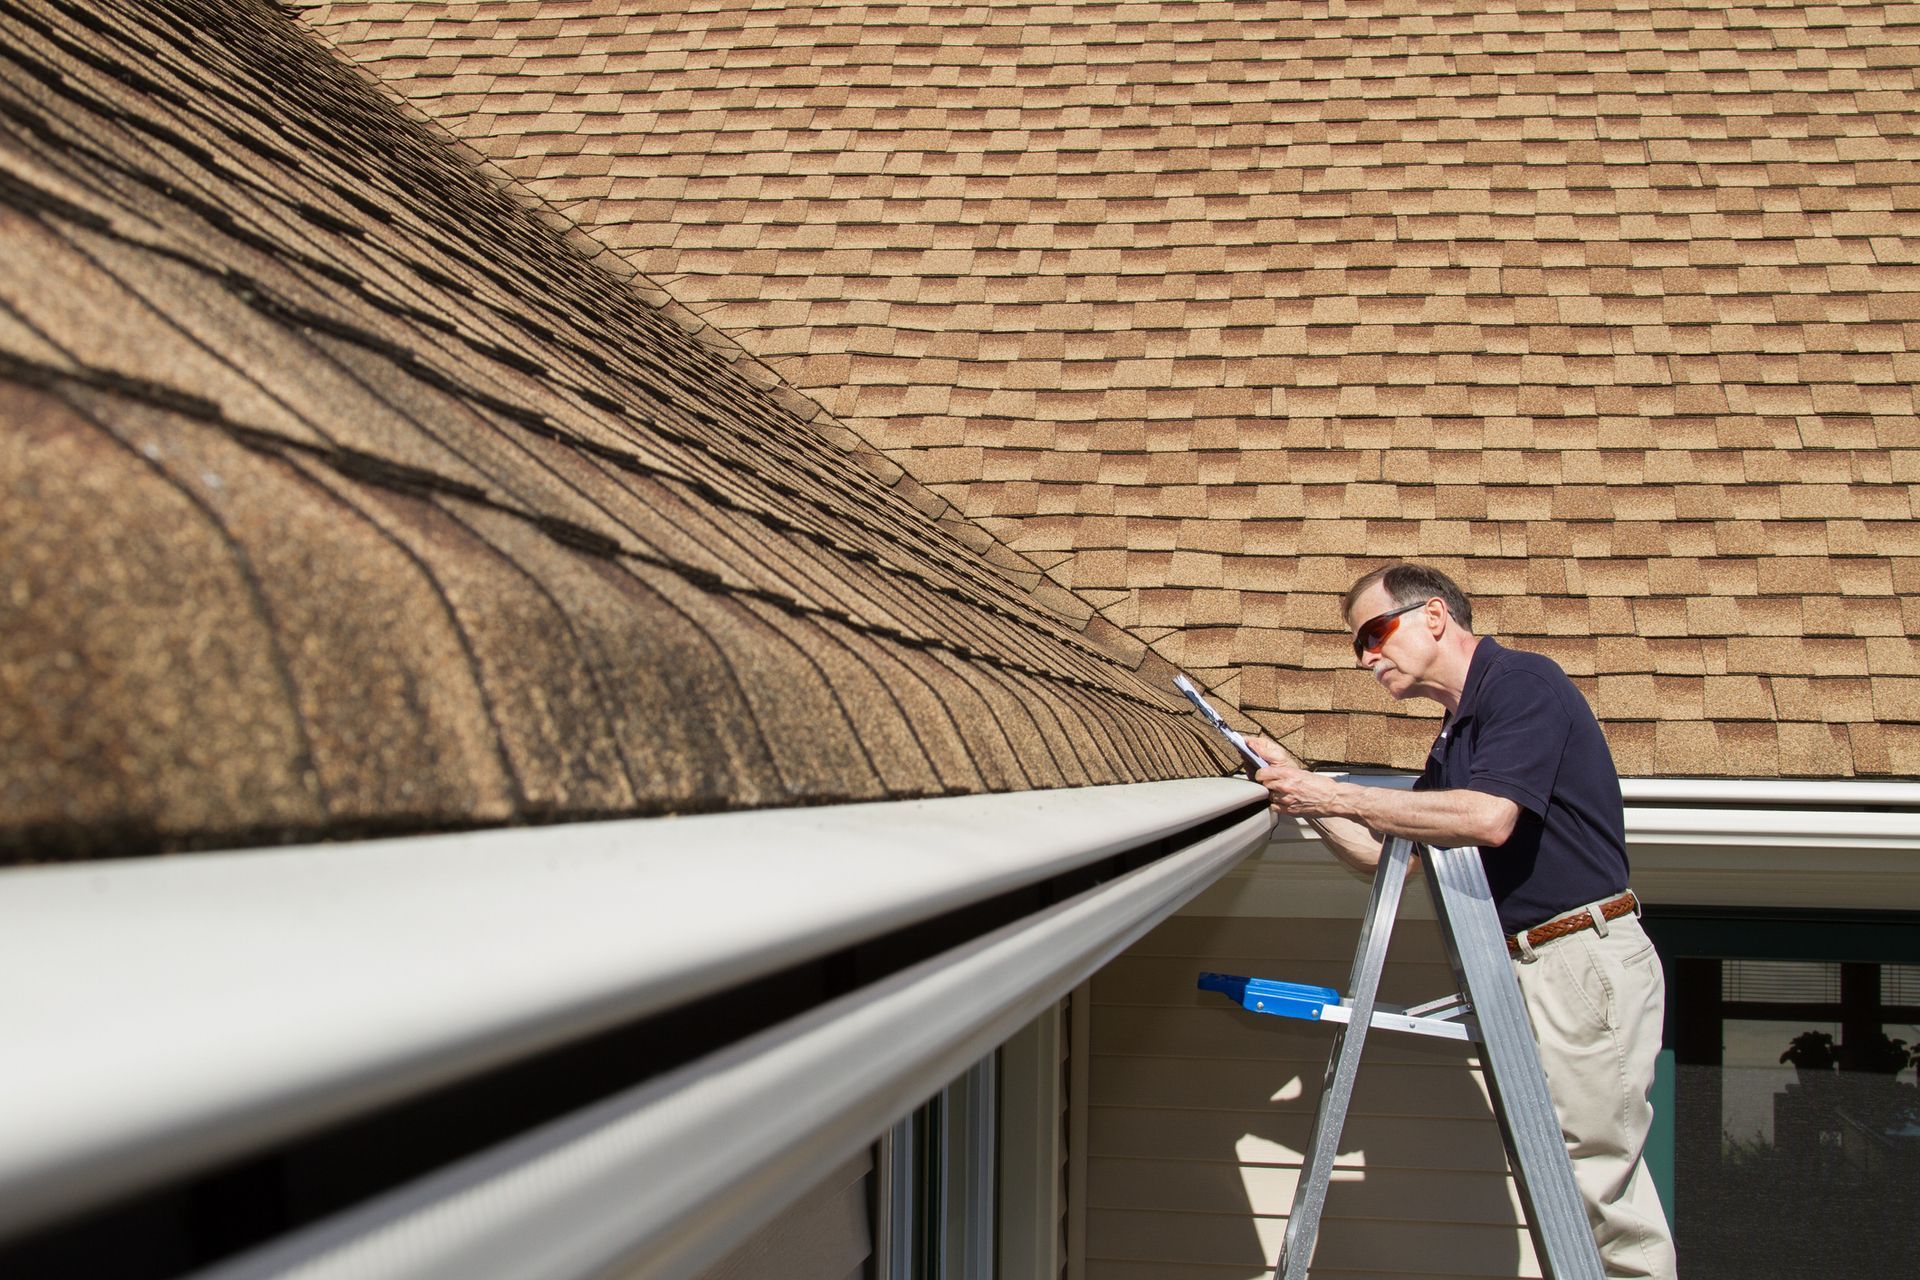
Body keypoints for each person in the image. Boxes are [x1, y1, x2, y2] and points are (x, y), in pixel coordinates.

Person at [1246, 562, 1678, 1280]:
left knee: (1602, 1198)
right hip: (1532, 964)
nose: (1366, 657)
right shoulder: (1460, 731)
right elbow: (1393, 857)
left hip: (1578, 959)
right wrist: (1306, 791)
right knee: (1565, 1192)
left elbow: (1486, 819)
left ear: (1435, 616)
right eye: (1358, 645)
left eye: (1375, 633)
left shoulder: (1523, 687)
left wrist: (1334, 793)